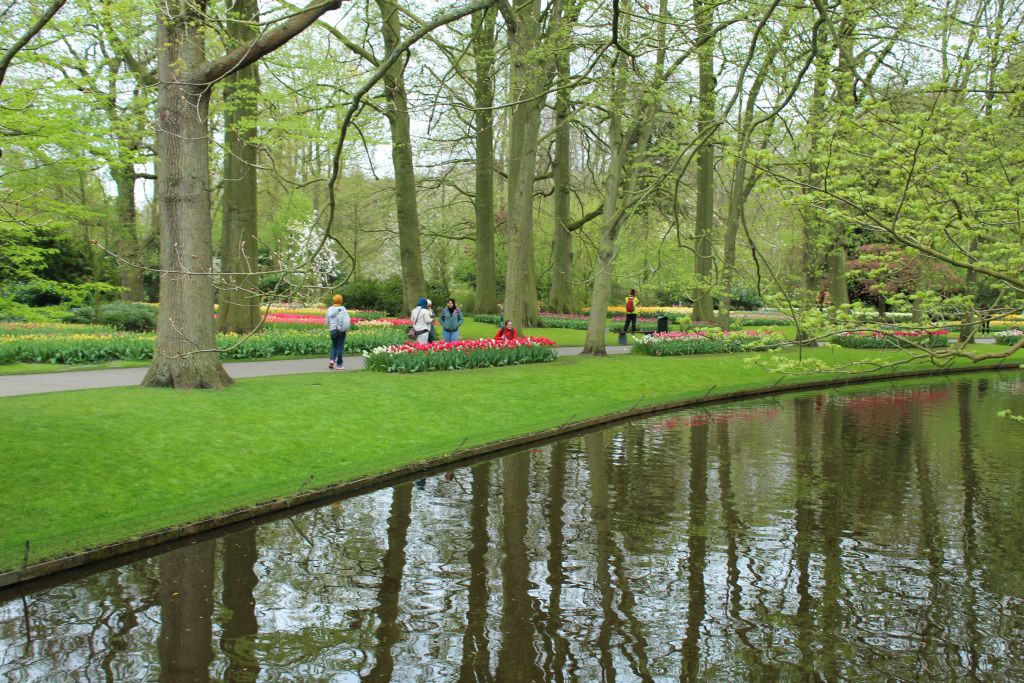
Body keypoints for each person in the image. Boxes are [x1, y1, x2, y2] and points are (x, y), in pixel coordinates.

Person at [325, 294, 351, 369]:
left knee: (334, 346)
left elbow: (327, 321)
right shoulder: (343, 308)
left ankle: (332, 360)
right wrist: (347, 328)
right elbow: (346, 319)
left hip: (332, 329)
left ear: (334, 300)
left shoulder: (329, 309)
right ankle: (339, 365)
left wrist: (330, 327)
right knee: (340, 347)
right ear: (341, 300)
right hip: (341, 329)